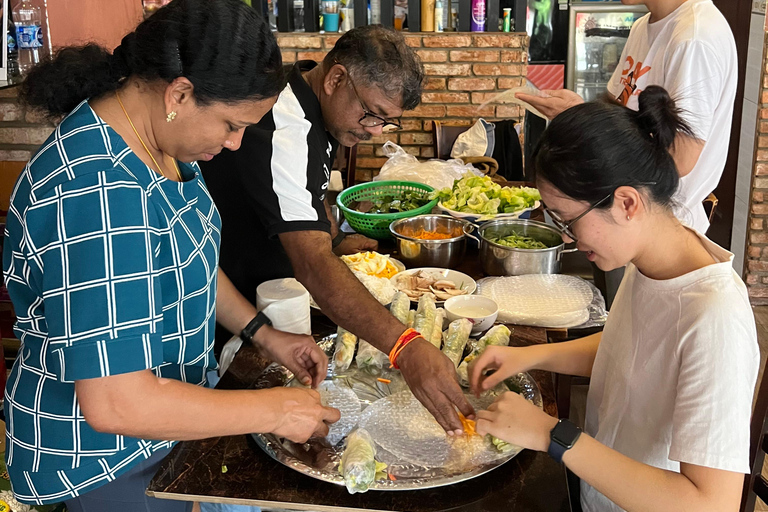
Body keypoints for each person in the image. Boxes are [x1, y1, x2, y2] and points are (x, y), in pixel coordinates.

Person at [3, 1, 340, 509]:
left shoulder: (161, 140)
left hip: (169, 421)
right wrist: (274, 410)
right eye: (231, 124)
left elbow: (191, 261)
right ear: (179, 93)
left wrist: (262, 333)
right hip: (106, 459)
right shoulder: (97, 191)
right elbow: (117, 402)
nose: (234, 143)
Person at [469, 87, 758, 512]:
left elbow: (711, 503)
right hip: (596, 494)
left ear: (626, 202)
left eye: (568, 220)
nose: (567, 237)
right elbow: (630, 352)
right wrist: (529, 357)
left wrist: (552, 434)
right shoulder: (650, 260)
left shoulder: (714, 316)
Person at [200, 25, 476, 434]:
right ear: (336, 79)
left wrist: (339, 238)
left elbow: (309, 192)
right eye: (372, 114)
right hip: (232, 311)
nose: (374, 131)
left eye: (387, 122)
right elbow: (311, 261)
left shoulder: (316, 106)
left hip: (264, 311)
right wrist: (406, 347)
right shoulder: (286, 128)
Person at [518, 0, 736, 236]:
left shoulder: (694, 38)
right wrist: (579, 110)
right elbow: (617, 106)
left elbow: (679, 160)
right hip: (621, 221)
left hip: (659, 229)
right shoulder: (643, 26)